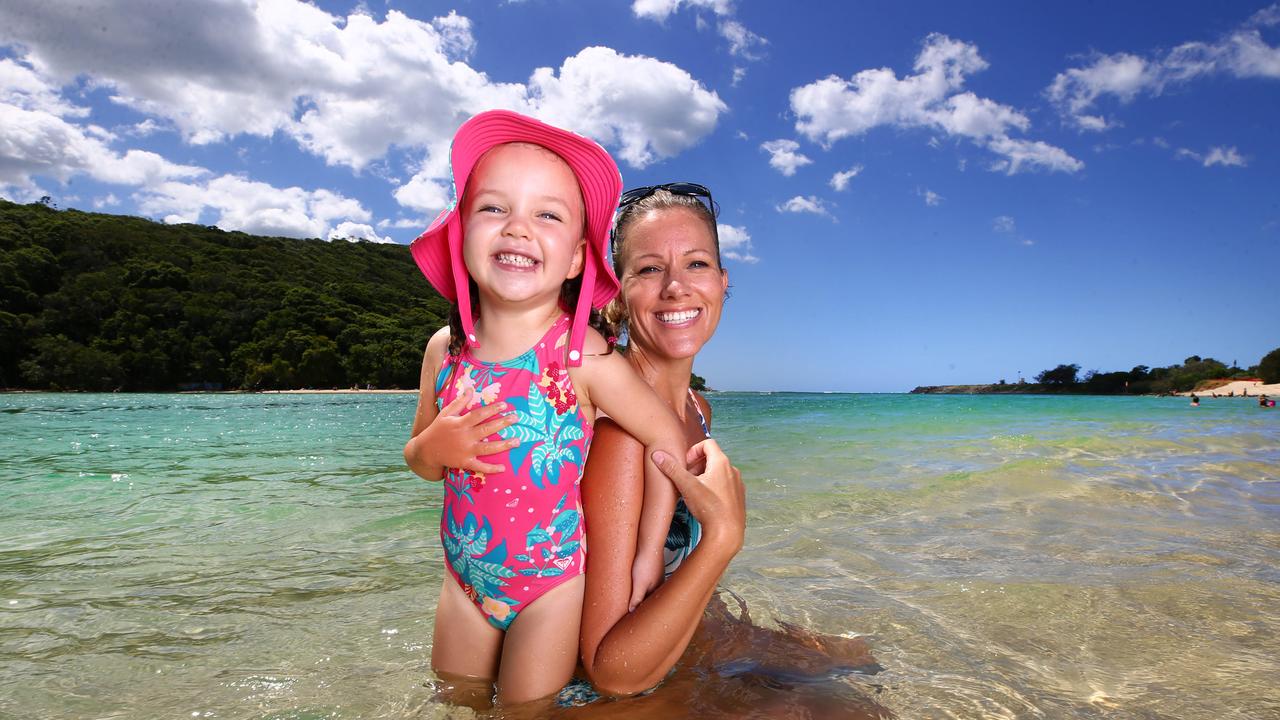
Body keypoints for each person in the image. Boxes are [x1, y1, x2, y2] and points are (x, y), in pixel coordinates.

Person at [402, 111, 686, 705]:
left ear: (579, 259)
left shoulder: (578, 356)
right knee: (455, 700)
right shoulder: (444, 349)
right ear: (459, 233)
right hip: (463, 579)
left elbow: (669, 443)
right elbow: (420, 460)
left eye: (547, 214)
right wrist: (434, 448)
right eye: (493, 208)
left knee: (524, 710)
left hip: (549, 589)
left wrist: (649, 551)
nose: (518, 228)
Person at [573, 184, 884, 715]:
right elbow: (610, 674)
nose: (676, 287)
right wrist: (723, 536)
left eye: (696, 264)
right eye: (649, 269)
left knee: (859, 661)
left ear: (722, 281)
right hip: (621, 685)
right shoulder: (623, 435)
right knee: (848, 710)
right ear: (618, 293)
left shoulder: (695, 408)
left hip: (688, 638)